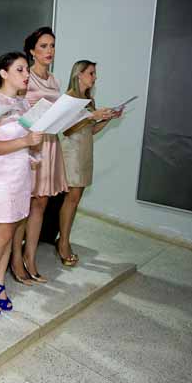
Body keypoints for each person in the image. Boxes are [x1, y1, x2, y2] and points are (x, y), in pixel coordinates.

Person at [0, 52, 44, 315]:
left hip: (19, 174)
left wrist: (33, 147)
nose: (26, 74)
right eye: (20, 70)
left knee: (11, 231)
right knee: (1, 234)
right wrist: (25, 142)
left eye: (27, 69)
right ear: (4, 74)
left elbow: (26, 139)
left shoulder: (22, 103)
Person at [10, 27, 68, 283]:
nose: (49, 50)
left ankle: (30, 256)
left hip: (50, 143)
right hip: (31, 143)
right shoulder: (26, 76)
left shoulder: (54, 80)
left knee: (41, 203)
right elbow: (16, 113)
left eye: (52, 45)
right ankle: (15, 258)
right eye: (43, 46)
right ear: (32, 51)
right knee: (24, 204)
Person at [58, 60, 117, 263]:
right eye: (91, 73)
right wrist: (92, 116)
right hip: (71, 152)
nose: (95, 77)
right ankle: (63, 243)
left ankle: (63, 239)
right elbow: (67, 129)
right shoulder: (69, 98)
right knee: (71, 199)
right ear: (79, 74)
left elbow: (90, 131)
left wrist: (107, 119)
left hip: (85, 151)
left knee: (75, 200)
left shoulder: (88, 100)